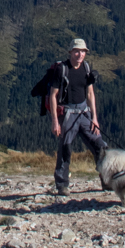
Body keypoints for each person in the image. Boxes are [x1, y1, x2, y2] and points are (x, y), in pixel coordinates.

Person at [49, 38, 108, 195]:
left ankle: (107, 180)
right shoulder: (62, 69)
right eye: (77, 51)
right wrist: (55, 121)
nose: (80, 54)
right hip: (68, 113)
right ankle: (62, 184)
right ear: (70, 52)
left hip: (84, 113)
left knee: (100, 145)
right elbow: (53, 96)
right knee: (65, 147)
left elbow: (90, 93)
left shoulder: (86, 68)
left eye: (83, 51)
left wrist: (94, 118)